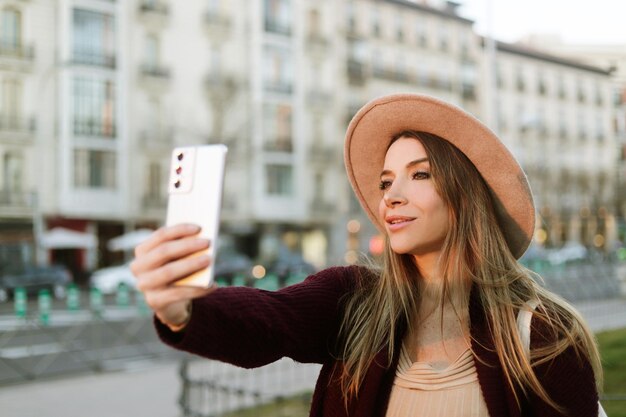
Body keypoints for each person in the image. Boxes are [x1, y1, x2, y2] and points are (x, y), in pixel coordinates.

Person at [131, 93, 602, 417]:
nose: (391, 195)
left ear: (467, 196)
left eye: (419, 175)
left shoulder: (543, 336)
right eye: (384, 181)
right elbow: (270, 320)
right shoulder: (353, 298)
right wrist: (185, 310)